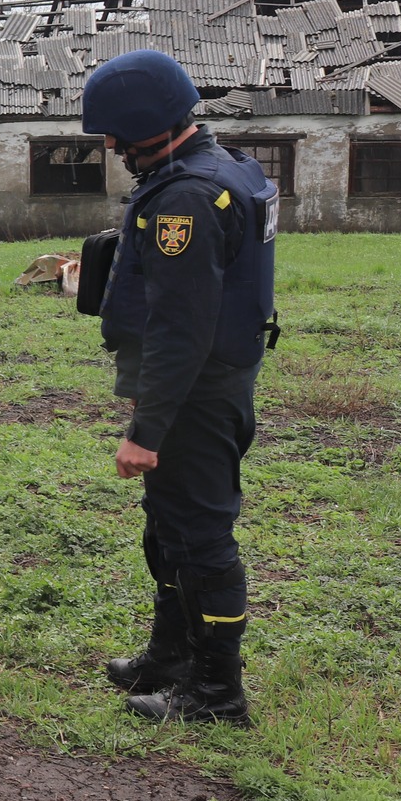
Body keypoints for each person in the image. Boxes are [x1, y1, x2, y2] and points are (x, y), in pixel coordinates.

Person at [80, 49, 278, 729]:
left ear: (148, 124)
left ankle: (218, 691)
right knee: (167, 531)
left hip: (196, 392)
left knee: (199, 538)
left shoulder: (188, 197)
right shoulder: (215, 169)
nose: (112, 147)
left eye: (117, 134)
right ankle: (170, 657)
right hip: (203, 384)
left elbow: (181, 329)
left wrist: (146, 429)